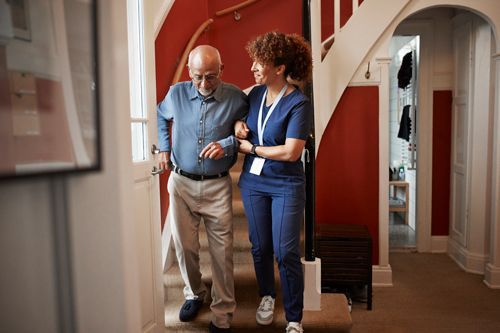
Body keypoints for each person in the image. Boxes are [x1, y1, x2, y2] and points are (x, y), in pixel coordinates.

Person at [157, 45, 248, 333]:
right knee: (184, 248)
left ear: (222, 70)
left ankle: (222, 313)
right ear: (189, 72)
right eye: (198, 77)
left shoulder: (236, 97)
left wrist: (230, 143)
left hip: (218, 186)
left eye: (211, 77)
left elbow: (250, 129)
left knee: (222, 253)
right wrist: (162, 148)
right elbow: (161, 116)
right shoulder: (177, 93)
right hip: (181, 183)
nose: (204, 84)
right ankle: (195, 293)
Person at [235, 31, 312, 333]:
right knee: (260, 247)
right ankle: (266, 296)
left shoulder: (298, 103)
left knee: (286, 252)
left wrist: (252, 149)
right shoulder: (254, 94)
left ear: (279, 68)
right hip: (254, 184)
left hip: (286, 186)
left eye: (260, 62)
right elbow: (238, 118)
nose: (253, 67)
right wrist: (237, 124)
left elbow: (292, 151)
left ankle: (294, 318)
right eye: (253, 61)